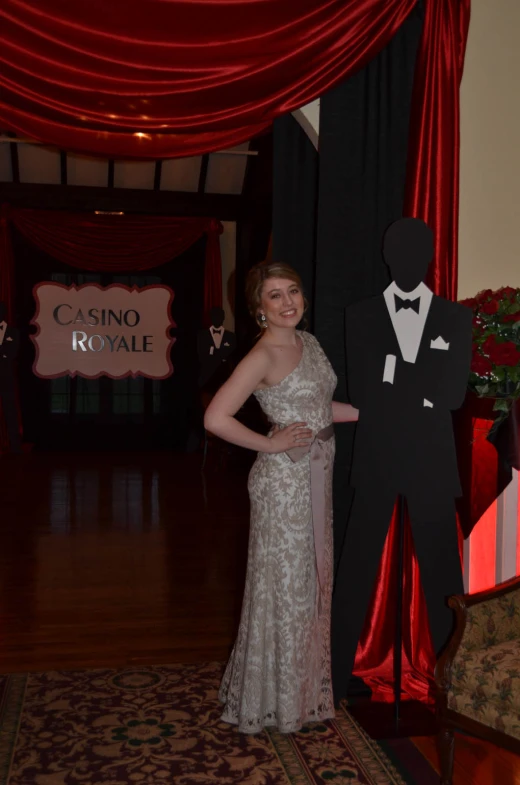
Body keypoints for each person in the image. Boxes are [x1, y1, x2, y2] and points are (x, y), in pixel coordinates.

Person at [204, 261, 358, 734]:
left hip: (317, 476)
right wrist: (271, 442)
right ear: (258, 308)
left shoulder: (307, 343)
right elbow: (216, 418)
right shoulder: (262, 355)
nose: (288, 301)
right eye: (275, 295)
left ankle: (302, 692)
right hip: (283, 485)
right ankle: (277, 702)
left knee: (310, 586)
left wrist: (371, 414)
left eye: (293, 291)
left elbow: (316, 407)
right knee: (286, 592)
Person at [331, 218, 472, 703]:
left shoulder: (456, 318)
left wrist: (395, 375)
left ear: (431, 256)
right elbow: (365, 392)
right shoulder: (361, 315)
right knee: (355, 569)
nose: (410, 261)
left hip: (432, 461)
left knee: (443, 577)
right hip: (377, 456)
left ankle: (456, 686)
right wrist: (419, 383)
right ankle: (330, 678)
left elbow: (452, 394)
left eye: (419, 252)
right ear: (387, 256)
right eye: (400, 251)